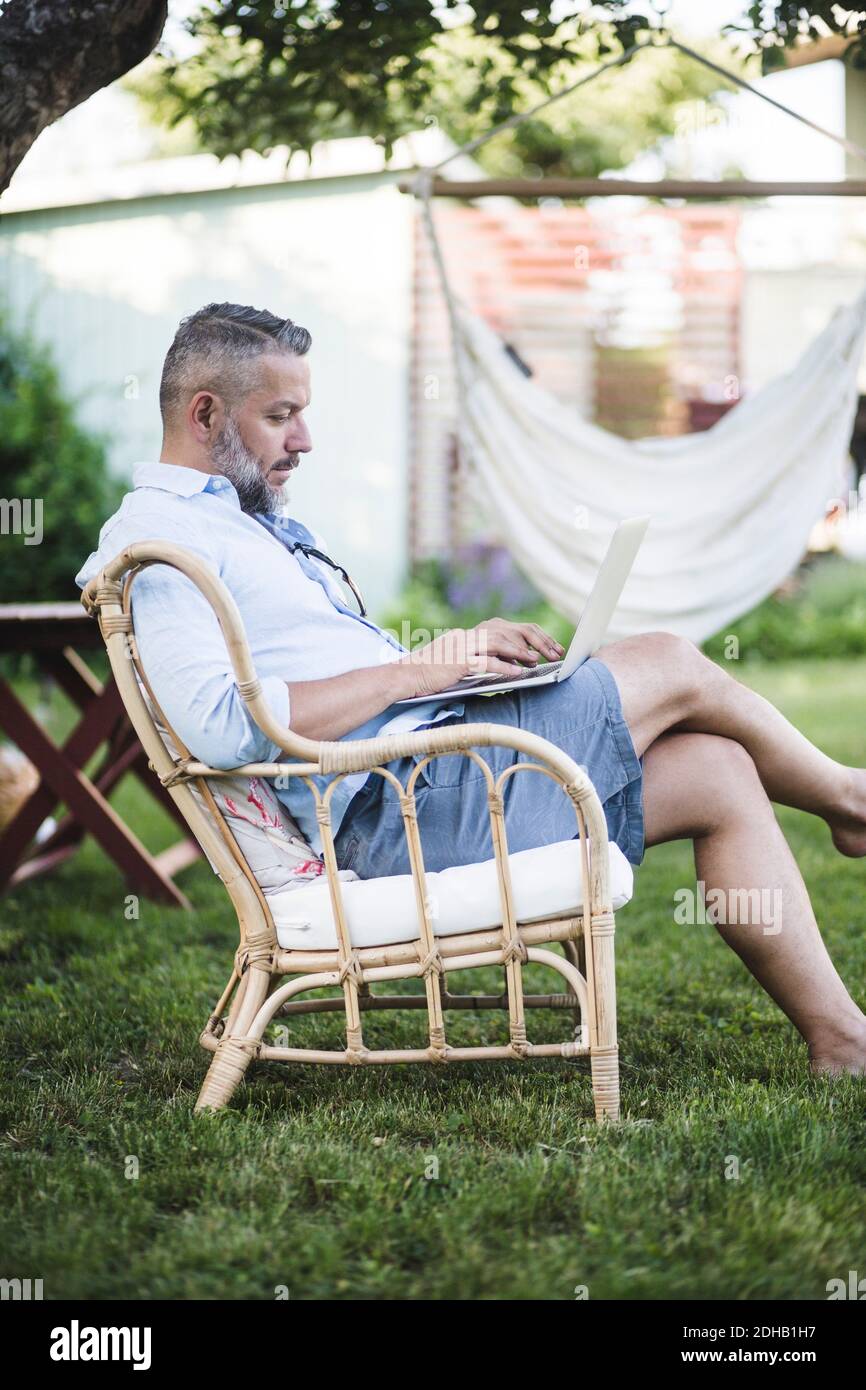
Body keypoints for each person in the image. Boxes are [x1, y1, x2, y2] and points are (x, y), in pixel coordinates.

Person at [76, 301, 866, 1078]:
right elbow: (221, 725)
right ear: (205, 412)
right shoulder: (163, 541)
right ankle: (848, 802)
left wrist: (463, 661)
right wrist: (425, 669)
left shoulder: (239, 522)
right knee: (668, 659)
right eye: (281, 415)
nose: (305, 440)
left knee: (718, 772)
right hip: (398, 812)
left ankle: (842, 1042)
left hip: (438, 774)